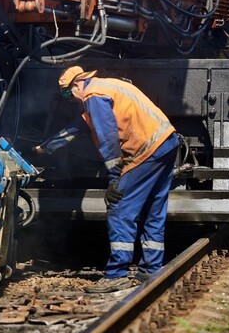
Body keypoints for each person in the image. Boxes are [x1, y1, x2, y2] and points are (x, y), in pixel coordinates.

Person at [34, 66, 179, 293]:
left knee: (119, 206)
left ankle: (116, 275)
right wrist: (46, 148)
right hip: (166, 141)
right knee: (153, 208)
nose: (69, 100)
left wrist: (114, 179)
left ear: (76, 84)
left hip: (146, 150)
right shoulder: (107, 86)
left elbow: (107, 139)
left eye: (66, 93)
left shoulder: (94, 96)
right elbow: (77, 127)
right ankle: (151, 270)